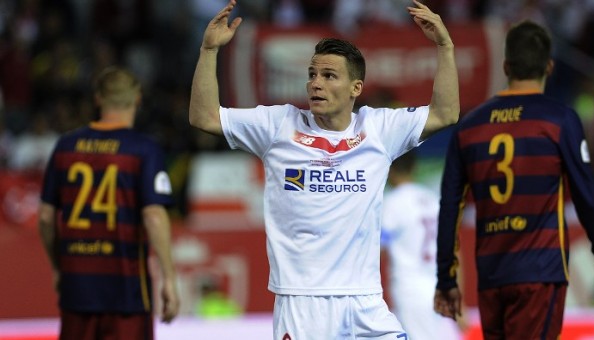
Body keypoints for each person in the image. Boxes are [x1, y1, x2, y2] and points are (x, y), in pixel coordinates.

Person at [188, 0, 459, 338]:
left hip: (366, 302)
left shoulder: (378, 128)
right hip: (302, 304)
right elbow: (204, 117)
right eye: (312, 75)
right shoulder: (277, 125)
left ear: (355, 89)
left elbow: (445, 114)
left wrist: (445, 47)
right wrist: (209, 50)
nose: (315, 83)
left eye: (329, 76)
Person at [434, 20, 594, 339]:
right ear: (549, 66)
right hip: (540, 272)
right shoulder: (559, 120)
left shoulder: (469, 127)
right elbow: (587, 197)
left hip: (491, 275)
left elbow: (450, 206)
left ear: (506, 65)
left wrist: (447, 279)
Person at [38, 66, 180, 340]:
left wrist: (58, 267)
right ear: (137, 99)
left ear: (97, 99)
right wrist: (169, 278)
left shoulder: (66, 147)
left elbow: (45, 217)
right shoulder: (143, 149)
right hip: (126, 292)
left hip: (77, 288)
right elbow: (153, 216)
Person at [381, 151, 464, 340]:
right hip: (441, 289)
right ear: (414, 167)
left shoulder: (392, 203)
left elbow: (374, 251)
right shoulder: (433, 200)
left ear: (389, 169)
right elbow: (455, 251)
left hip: (410, 292)